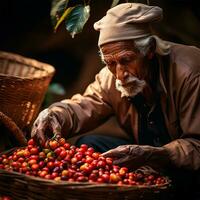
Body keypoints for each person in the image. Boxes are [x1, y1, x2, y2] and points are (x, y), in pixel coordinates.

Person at [31, 3, 200, 198]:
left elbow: (197, 145)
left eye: (126, 60)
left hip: (183, 165)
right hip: (146, 158)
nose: (120, 74)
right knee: (90, 143)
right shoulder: (110, 77)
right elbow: (85, 104)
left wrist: (158, 155)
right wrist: (54, 114)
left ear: (150, 50)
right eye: (111, 63)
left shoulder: (190, 72)